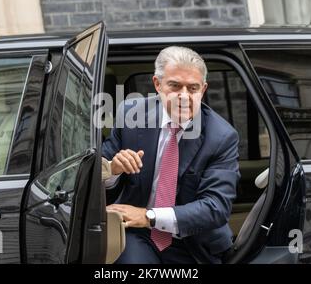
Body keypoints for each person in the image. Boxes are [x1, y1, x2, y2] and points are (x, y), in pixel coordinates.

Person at [102, 46, 240, 264]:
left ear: (203, 90)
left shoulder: (222, 137)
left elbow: (215, 206)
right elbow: (96, 174)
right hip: (138, 235)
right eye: (175, 86)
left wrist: (148, 216)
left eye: (192, 88)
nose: (184, 96)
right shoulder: (131, 115)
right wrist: (113, 169)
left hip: (193, 243)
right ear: (157, 84)